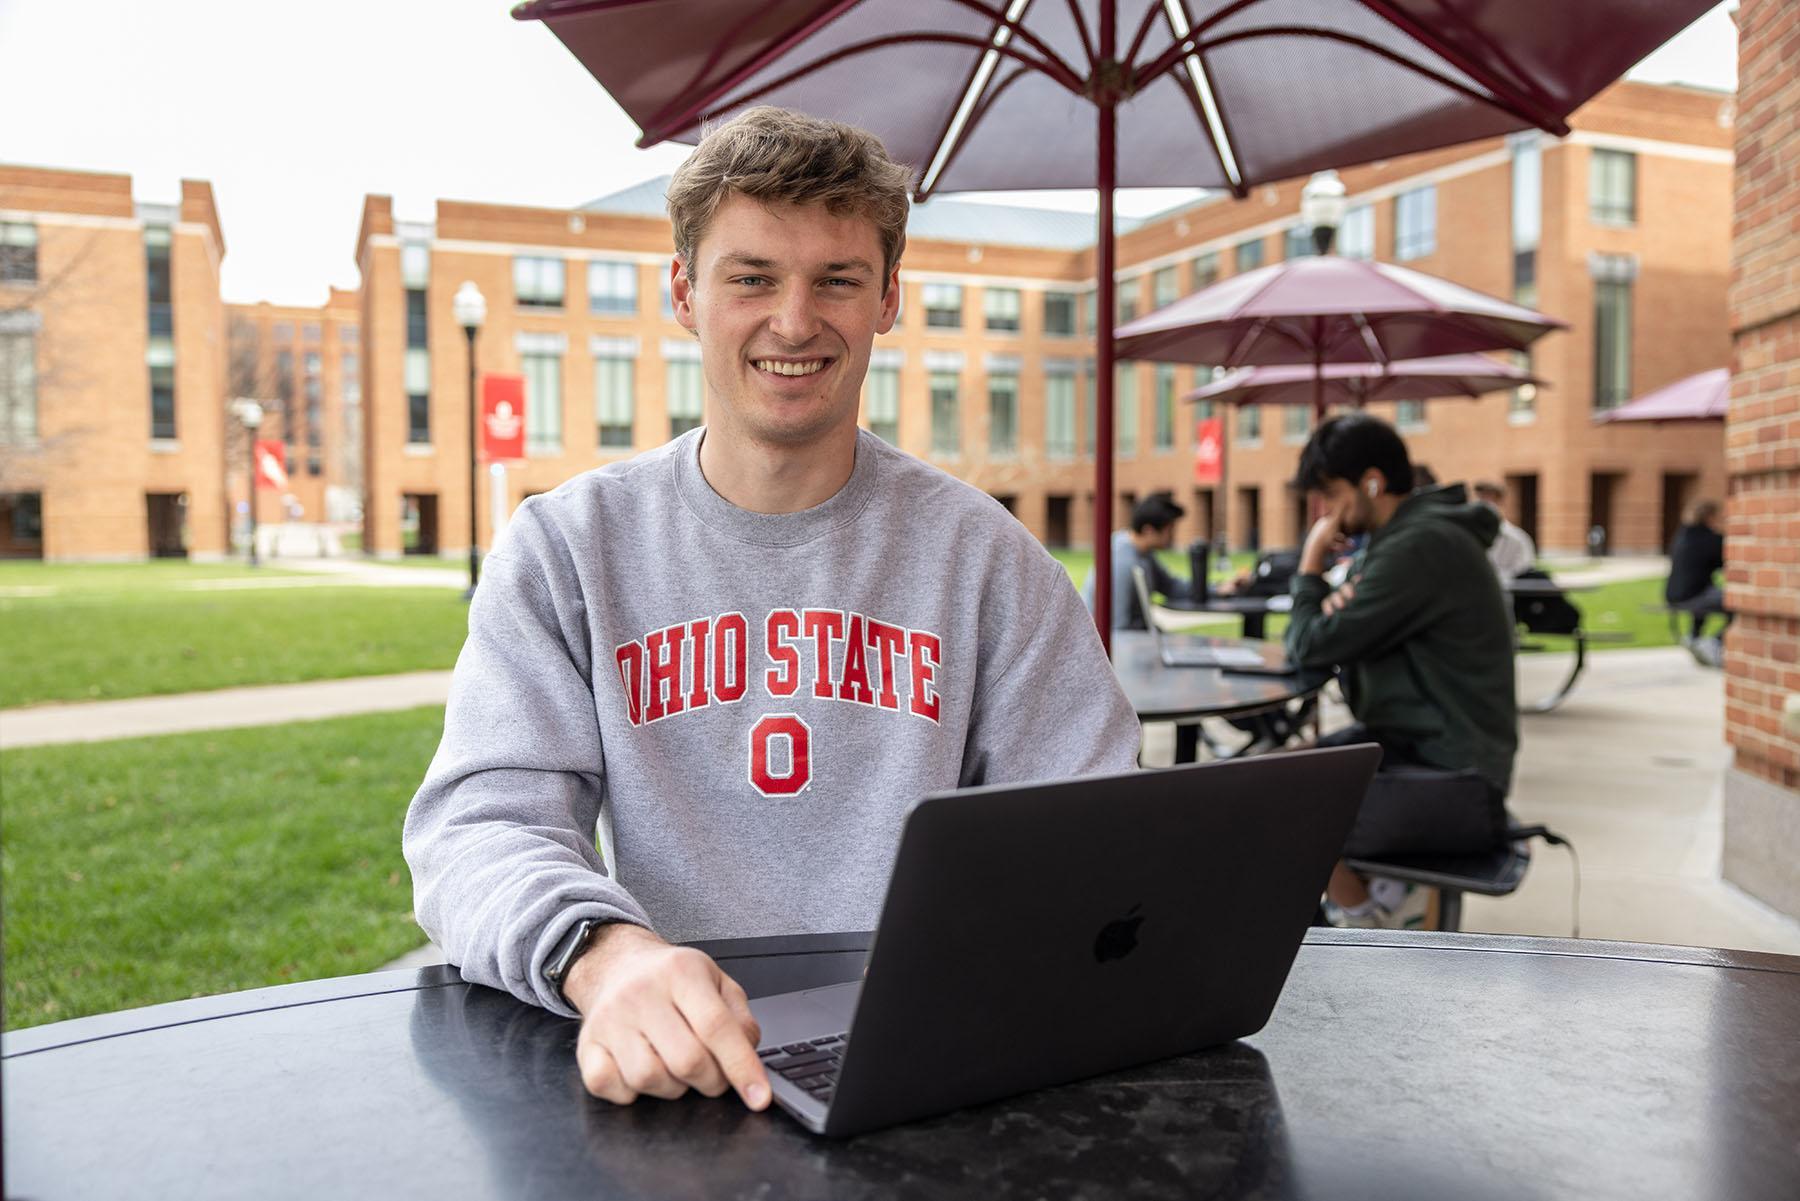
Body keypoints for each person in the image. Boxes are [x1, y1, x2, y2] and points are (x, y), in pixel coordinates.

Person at [403, 108, 1141, 1112]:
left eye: (836, 279)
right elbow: (478, 828)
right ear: (683, 292)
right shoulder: (569, 548)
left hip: (933, 1064)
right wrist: (604, 955)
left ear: (887, 298)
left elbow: (1092, 835)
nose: (795, 320)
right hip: (664, 1064)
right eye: (751, 277)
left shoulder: (988, 559)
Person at [1284, 414, 1519, 928]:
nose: (1327, 513)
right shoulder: (1409, 541)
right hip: (1425, 747)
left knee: (1283, 803)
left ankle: (1367, 925)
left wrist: (1309, 566)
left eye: (1331, 493)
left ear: (1372, 481)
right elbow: (1340, 631)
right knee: (1273, 774)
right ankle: (1382, 899)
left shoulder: (1418, 547)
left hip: (1458, 778)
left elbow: (1309, 645)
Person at [1082, 491, 1201, 630]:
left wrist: (1217, 589)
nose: (1172, 536)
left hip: (1137, 636)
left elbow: (1172, 587)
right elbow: (1117, 628)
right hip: (1119, 643)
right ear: (1148, 530)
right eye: (1169, 530)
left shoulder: (1144, 554)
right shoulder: (1120, 563)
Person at [1666, 498, 1729, 665]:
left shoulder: (1683, 533)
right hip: (1692, 595)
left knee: (1709, 593)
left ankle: (1693, 637)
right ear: (1709, 517)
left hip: (1673, 594)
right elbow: (1727, 562)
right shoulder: (1710, 539)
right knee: (1736, 603)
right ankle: (1714, 641)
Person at [1472, 480, 1536, 582]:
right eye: (1480, 498)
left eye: (1488, 498)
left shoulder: (1518, 538)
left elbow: (1524, 573)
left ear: (1500, 502)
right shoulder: (1468, 535)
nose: (1483, 503)